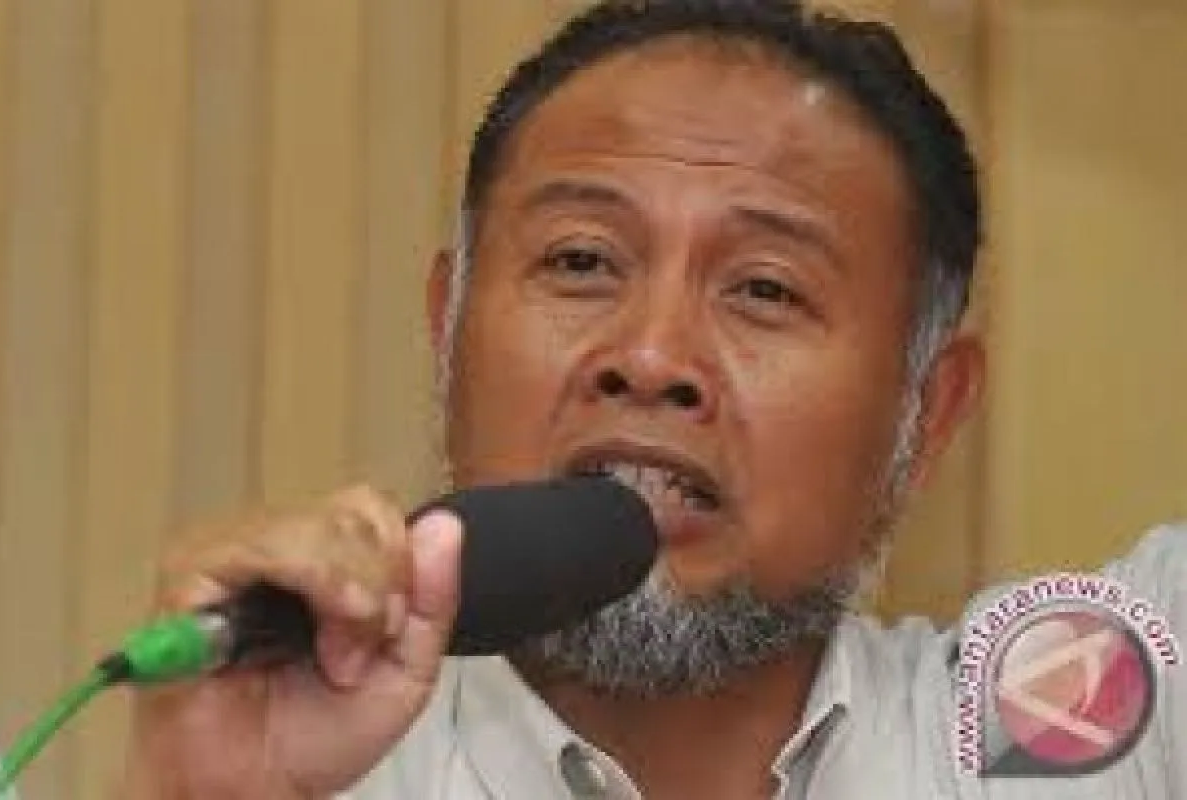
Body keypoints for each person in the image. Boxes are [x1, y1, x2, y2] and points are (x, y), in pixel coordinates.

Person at [122, 1, 1185, 798]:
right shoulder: (303, 765)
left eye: (765, 289)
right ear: (446, 331)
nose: (649, 354)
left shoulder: (1057, 731)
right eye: (581, 261)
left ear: (929, 410)